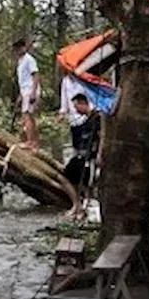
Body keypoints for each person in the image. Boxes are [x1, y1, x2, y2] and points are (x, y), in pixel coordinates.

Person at [63, 92, 102, 221]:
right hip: (81, 155)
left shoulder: (96, 118)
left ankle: (83, 208)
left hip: (89, 157)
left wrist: (99, 154)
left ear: (83, 103)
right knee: (66, 177)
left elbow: (100, 137)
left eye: (77, 107)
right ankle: (77, 205)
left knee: (86, 183)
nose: (76, 110)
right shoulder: (86, 120)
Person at [13, 37, 41, 150]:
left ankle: (30, 142)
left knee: (27, 116)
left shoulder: (29, 59)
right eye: (17, 48)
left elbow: (35, 75)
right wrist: (20, 95)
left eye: (21, 47)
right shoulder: (20, 61)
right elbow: (22, 80)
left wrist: (33, 92)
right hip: (25, 90)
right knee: (28, 117)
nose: (19, 50)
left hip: (30, 90)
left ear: (24, 47)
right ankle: (34, 142)